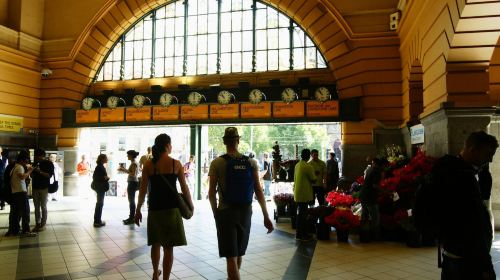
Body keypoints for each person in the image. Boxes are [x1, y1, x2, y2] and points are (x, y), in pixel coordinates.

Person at [208, 127, 274, 280]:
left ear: (224, 141)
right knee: (238, 252)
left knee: (230, 256)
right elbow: (258, 190)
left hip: (226, 212)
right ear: (238, 141)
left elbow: (211, 193)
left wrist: (215, 213)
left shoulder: (217, 163)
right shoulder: (251, 162)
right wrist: (266, 216)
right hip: (245, 212)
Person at [432, 131, 498, 280]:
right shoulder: (463, 178)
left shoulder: (447, 169)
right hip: (467, 258)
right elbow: (474, 226)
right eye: (488, 154)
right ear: (473, 149)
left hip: (450, 251)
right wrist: (486, 265)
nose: (491, 160)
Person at [134, 134, 194, 280]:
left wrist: (138, 209)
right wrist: (191, 205)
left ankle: (155, 273)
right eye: (171, 144)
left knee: (155, 244)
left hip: (155, 208)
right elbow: (184, 188)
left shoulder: (149, 165)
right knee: (168, 248)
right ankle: (165, 278)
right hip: (172, 209)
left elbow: (142, 189)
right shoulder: (176, 164)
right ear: (167, 145)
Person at [10, 151, 36, 237]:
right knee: (25, 212)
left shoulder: (14, 168)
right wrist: (30, 171)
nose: (26, 163)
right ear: (21, 160)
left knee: (17, 213)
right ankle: (26, 230)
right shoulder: (20, 167)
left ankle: (15, 230)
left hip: (15, 193)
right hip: (21, 192)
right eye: (26, 161)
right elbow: (22, 177)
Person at [293, 148, 316, 241]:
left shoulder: (297, 165)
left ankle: (299, 234)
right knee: (303, 215)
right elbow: (313, 179)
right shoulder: (307, 166)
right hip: (304, 193)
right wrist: (317, 174)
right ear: (308, 156)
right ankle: (304, 235)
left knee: (300, 215)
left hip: (297, 193)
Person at [359, 157, 384, 240]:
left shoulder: (370, 169)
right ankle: (375, 236)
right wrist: (385, 191)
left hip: (364, 194)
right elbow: (375, 185)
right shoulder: (377, 170)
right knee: (375, 216)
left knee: (365, 215)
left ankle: (364, 234)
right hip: (370, 196)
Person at [31, 148, 54, 232]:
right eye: (36, 156)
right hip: (35, 187)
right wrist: (31, 173)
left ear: (42, 156)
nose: (36, 157)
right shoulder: (34, 163)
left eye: (38, 156)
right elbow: (31, 176)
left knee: (43, 206)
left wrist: (39, 171)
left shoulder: (49, 163)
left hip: (44, 188)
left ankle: (43, 224)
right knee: (36, 207)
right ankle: (37, 223)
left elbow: (49, 175)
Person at [119, 150, 140, 225]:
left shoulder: (134, 163)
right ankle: (131, 217)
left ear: (131, 155)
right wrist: (124, 169)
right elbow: (132, 172)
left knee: (131, 200)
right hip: (133, 182)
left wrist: (124, 171)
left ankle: (132, 218)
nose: (127, 156)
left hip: (132, 182)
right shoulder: (134, 163)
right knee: (131, 200)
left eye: (128, 155)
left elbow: (133, 174)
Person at [92, 154, 110, 228]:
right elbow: (96, 177)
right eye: (106, 158)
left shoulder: (99, 166)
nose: (107, 159)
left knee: (99, 203)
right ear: (102, 159)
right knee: (100, 203)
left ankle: (97, 220)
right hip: (100, 187)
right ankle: (97, 221)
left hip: (99, 187)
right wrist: (106, 178)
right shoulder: (100, 167)